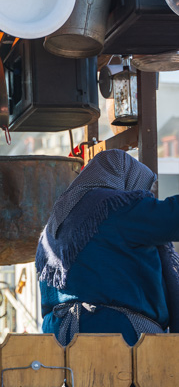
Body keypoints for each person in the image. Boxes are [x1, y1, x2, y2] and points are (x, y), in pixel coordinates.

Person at [36, 148, 179, 346]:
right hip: (120, 339)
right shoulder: (116, 207)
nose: (145, 196)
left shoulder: (54, 226)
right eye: (142, 188)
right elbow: (173, 216)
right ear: (126, 180)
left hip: (58, 342)